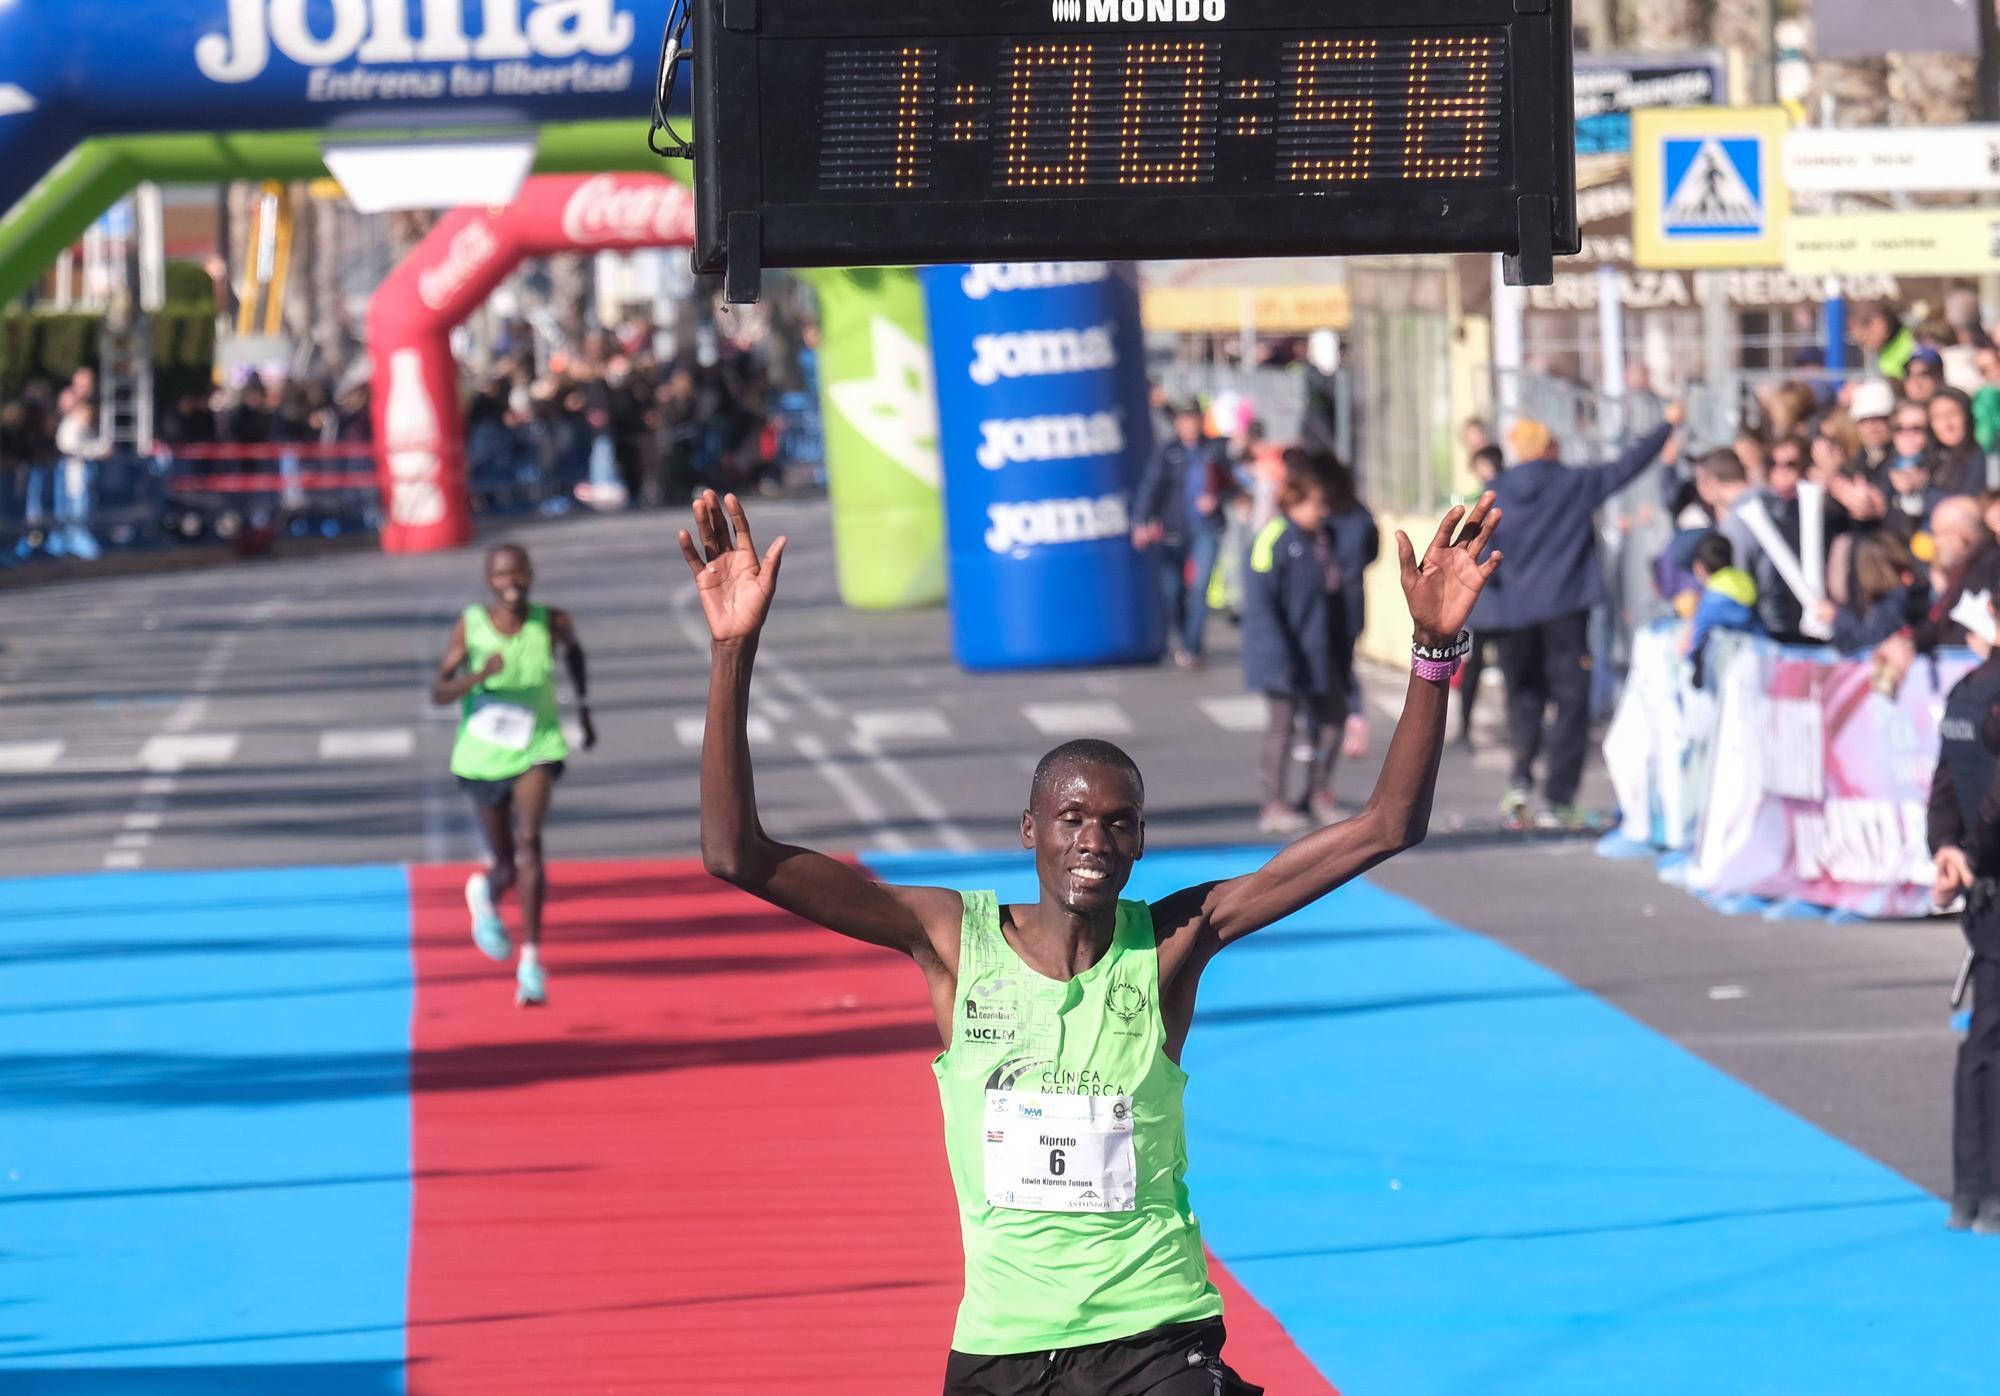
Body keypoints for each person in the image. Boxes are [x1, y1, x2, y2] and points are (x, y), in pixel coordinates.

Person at [683, 487, 1502, 1396]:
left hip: (1155, 1342)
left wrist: (1433, 653)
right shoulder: (952, 941)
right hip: (1000, 1352)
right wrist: (733, 650)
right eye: (1072, 818)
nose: (1094, 842)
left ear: (1141, 842)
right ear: (1030, 830)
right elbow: (736, 855)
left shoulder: (1172, 943)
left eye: (1118, 825)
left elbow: (1388, 824)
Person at [1486, 405, 1682, 831]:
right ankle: (1558, 796)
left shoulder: (1495, 490)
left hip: (1515, 615)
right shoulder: (1573, 483)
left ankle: (1519, 782)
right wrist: (1666, 424)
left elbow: (1480, 548)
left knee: (1524, 698)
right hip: (1565, 608)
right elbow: (1627, 466)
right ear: (1550, 446)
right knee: (1571, 700)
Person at [430, 543, 596, 1006]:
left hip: (537, 746)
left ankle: (531, 960)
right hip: (483, 756)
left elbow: (576, 655)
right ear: (489, 579)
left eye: (519, 571)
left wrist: (583, 712)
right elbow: (438, 692)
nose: (511, 581)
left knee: (530, 842)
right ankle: (485, 890)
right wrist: (477, 675)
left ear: (530, 573)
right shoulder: (472, 625)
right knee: (505, 863)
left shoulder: (553, 621)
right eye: (502, 573)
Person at [1926, 595, 2000, 1235]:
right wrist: (1967, 852)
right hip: (1990, 876)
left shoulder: (1968, 692)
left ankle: (1972, 1190)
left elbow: (1946, 781)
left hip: (1983, 891)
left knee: (1984, 1038)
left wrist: (1949, 851)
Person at [1241, 450, 1351, 834]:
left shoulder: (1319, 540)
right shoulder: (1272, 538)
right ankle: (1273, 804)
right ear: (1297, 502)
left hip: (1317, 648)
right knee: (1283, 728)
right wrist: (1278, 653)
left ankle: (1317, 792)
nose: (1323, 512)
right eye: (1317, 504)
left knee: (1333, 719)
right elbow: (1260, 604)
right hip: (1281, 654)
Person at [1133, 401, 1232, 670]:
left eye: (1193, 419)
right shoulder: (1168, 451)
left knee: (1200, 588)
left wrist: (1217, 499)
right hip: (1174, 529)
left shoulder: (1214, 450)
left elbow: (1231, 483)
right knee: (1172, 590)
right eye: (1184, 420)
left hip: (1206, 528)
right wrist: (1141, 521)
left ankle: (1191, 646)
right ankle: (1184, 636)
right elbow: (1151, 487)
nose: (1189, 425)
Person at [1681, 532, 1759, 683]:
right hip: (1757, 658)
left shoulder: (1711, 598)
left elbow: (1698, 639)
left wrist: (1693, 661)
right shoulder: (1746, 581)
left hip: (1731, 672)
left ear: (1700, 568)